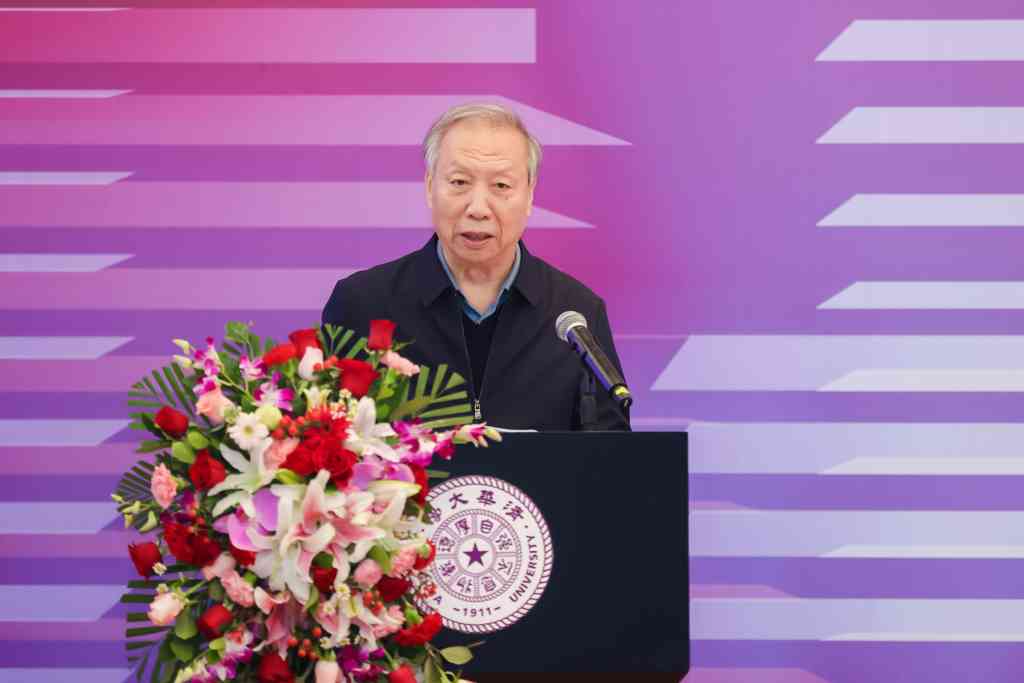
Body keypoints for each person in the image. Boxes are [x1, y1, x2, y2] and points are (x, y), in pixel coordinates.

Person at [322, 103, 629, 431]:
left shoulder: (576, 314)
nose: (478, 208)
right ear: (430, 187)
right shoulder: (363, 304)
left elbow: (610, 452)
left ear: (529, 196)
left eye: (501, 186)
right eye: (459, 182)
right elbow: (326, 437)